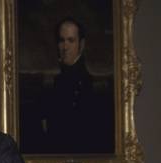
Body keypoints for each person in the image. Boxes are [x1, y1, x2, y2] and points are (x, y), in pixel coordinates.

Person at [42, 17, 113, 154]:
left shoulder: (91, 85)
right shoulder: (54, 84)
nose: (65, 47)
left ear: (81, 44)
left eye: (71, 40)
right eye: (61, 41)